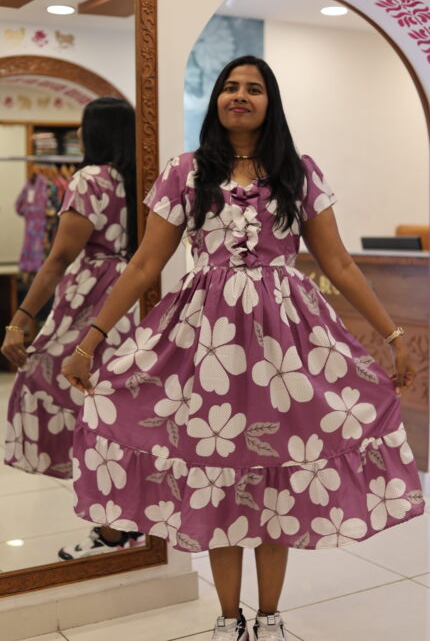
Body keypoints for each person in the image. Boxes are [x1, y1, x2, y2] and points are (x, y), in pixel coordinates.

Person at [61, 57, 424, 640]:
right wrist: (90, 342)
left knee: (278, 476)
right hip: (204, 345)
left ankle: (270, 617)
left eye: (254, 88)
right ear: (216, 100)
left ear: (269, 102)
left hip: (286, 345)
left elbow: (339, 263)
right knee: (217, 476)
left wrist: (394, 336)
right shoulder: (185, 172)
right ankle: (228, 620)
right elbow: (146, 264)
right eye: (230, 87)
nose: (240, 95)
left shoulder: (298, 172)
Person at [2, 96, 144, 561]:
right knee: (121, 414)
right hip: (137, 299)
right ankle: (125, 523)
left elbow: (60, 257)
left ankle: (112, 530)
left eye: (84, 125)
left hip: (93, 302)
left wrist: (20, 320)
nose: (79, 134)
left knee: (62, 391)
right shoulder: (145, 179)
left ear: (96, 131)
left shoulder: (89, 179)